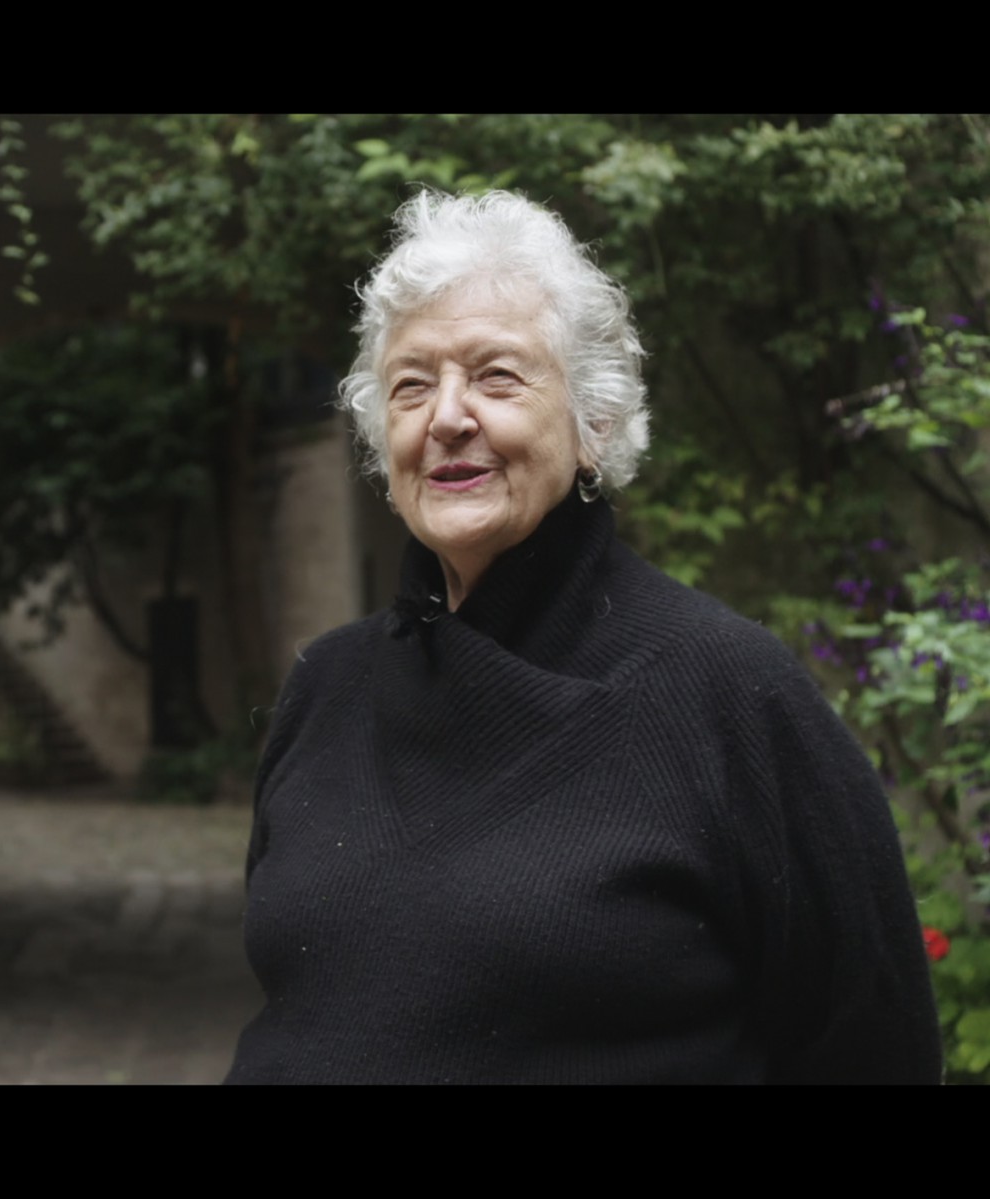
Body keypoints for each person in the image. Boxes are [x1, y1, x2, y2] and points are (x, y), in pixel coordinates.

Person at [224, 190, 943, 1084]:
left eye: (496, 376)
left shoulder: (729, 694)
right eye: (411, 385)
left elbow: (874, 1046)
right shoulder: (325, 685)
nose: (447, 416)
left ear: (594, 422)